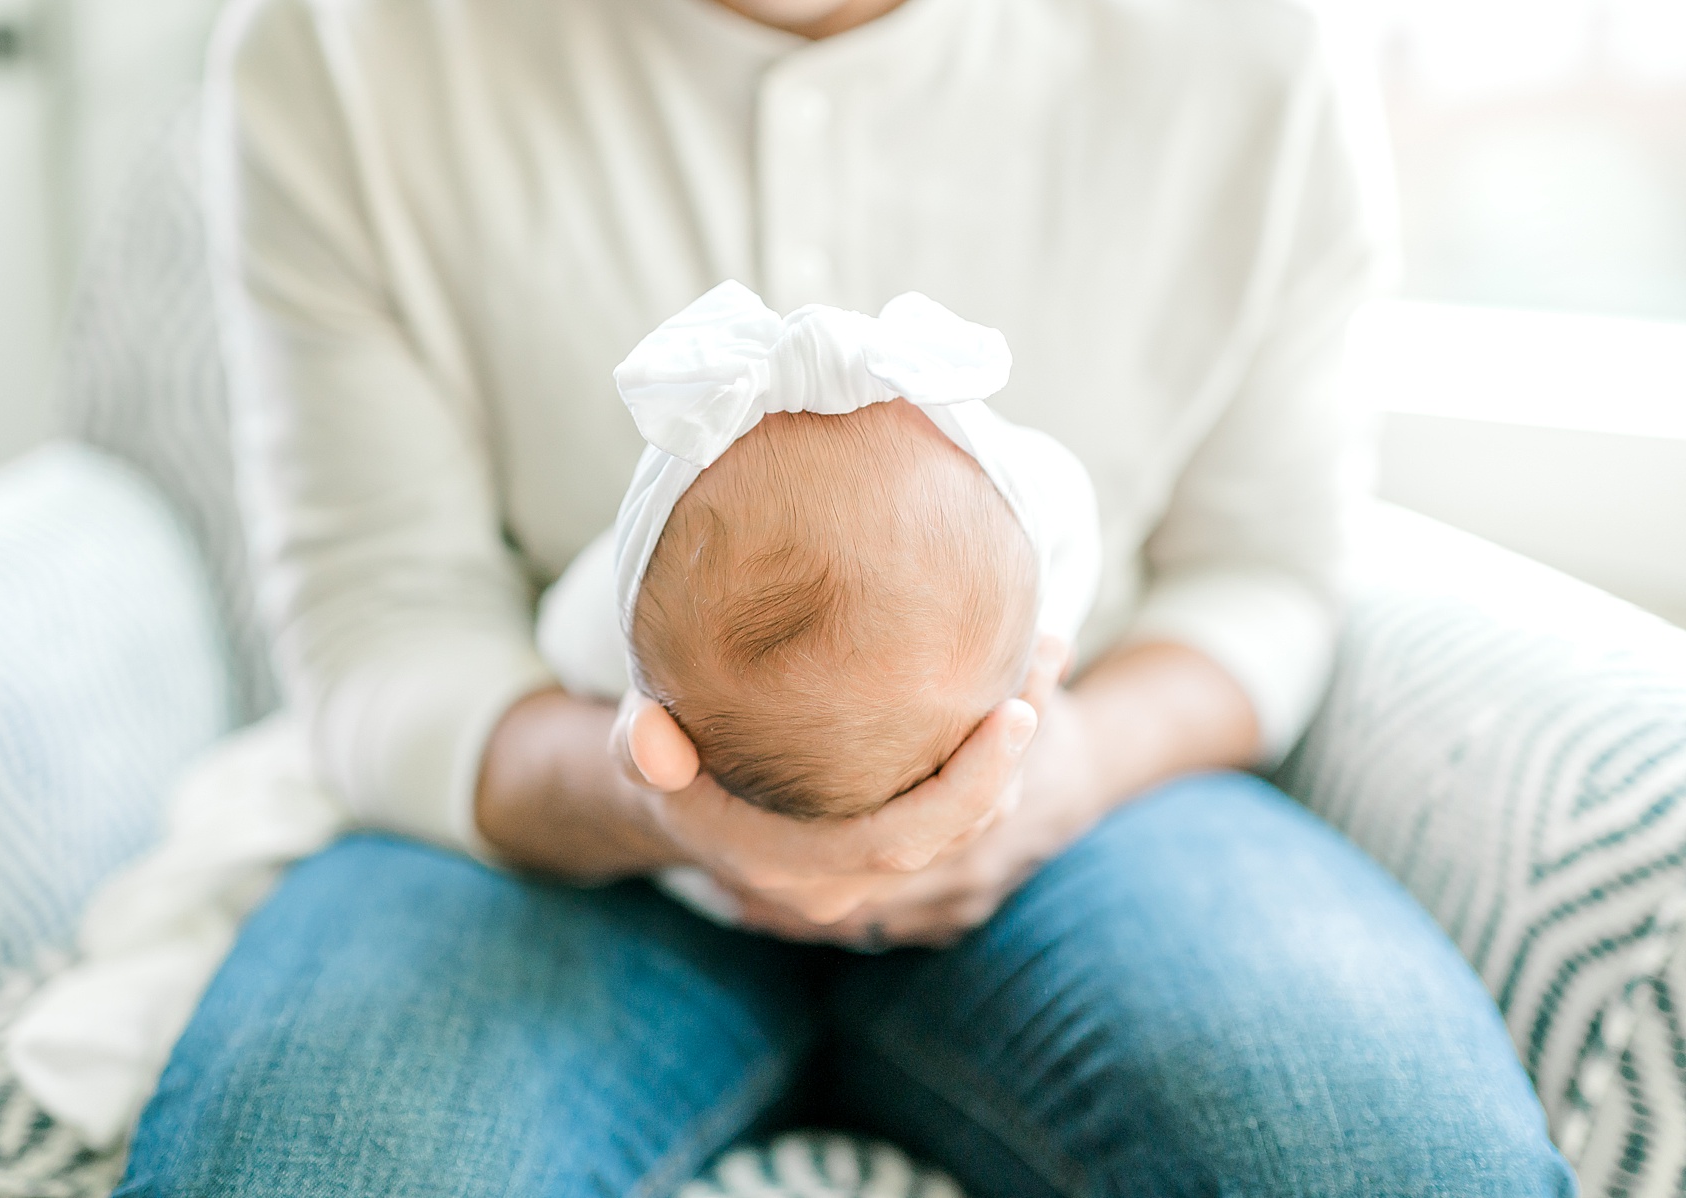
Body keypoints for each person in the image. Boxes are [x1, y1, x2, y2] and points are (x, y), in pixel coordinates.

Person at [113, 0, 1579, 1192]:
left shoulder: (1248, 47)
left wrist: (1057, 771)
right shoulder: (346, 45)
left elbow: (1261, 575)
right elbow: (384, 625)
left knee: (1388, 1159)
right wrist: (641, 799)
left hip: (1100, 807)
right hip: (548, 826)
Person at [544, 281, 1099, 824]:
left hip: (704, 848)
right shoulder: (1046, 513)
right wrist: (1054, 626)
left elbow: (561, 633)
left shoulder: (617, 613)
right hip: (989, 815)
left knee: (645, 749)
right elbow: (1068, 505)